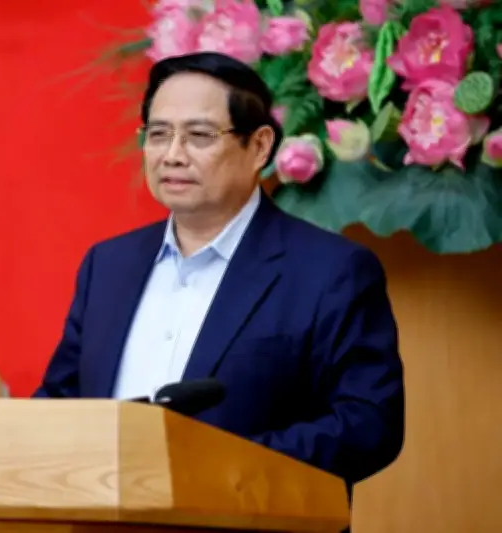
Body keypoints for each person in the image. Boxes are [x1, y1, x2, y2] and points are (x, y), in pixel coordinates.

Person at [32, 52, 405, 490]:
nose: (172, 155)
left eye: (199, 136)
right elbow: (58, 403)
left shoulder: (330, 271)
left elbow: (367, 424)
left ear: (259, 146)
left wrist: (219, 467)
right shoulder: (108, 265)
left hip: (249, 512)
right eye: (158, 134)